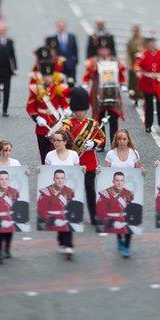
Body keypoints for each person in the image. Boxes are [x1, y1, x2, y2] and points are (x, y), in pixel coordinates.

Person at [61, 86, 105, 225]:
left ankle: (94, 216)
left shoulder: (92, 124)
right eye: (77, 110)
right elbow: (63, 139)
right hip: (73, 162)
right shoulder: (67, 124)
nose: (79, 113)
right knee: (72, 189)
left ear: (86, 109)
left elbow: (102, 138)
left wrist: (94, 144)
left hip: (89, 162)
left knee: (90, 190)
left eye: (82, 110)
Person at [82, 36, 127, 144]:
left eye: (106, 49)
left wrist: (123, 84)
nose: (103, 51)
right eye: (101, 49)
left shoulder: (115, 61)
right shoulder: (92, 61)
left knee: (113, 117)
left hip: (113, 92)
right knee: (98, 118)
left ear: (109, 50)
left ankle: (113, 141)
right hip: (97, 92)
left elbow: (121, 75)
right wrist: (85, 83)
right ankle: (100, 142)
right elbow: (87, 75)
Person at [27, 62, 70, 160]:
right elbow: (30, 107)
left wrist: (66, 109)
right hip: (43, 125)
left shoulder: (57, 87)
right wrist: (37, 118)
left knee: (59, 150)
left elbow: (63, 101)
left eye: (50, 76)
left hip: (56, 123)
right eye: (45, 76)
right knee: (44, 153)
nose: (47, 78)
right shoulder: (36, 89)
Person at [37, 164, 78, 259]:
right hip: (52, 217)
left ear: (65, 179)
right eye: (57, 178)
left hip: (65, 217)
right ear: (54, 179)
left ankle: (68, 245)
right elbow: (42, 209)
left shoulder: (69, 191)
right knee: (61, 225)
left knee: (66, 222)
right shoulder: (46, 191)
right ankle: (61, 241)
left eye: (62, 178)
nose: (60, 180)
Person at [96, 171, 136, 257]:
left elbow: (130, 208)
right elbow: (100, 210)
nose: (119, 183)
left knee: (129, 227)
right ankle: (119, 238)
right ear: (113, 181)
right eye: (117, 180)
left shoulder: (128, 193)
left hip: (124, 218)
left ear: (124, 181)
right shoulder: (106, 194)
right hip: (111, 219)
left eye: (122, 180)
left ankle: (126, 247)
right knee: (118, 228)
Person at [134, 37, 160, 133]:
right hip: (147, 83)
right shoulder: (143, 55)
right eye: (150, 44)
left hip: (159, 83)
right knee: (148, 106)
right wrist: (139, 73)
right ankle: (148, 125)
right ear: (147, 45)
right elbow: (137, 65)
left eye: (153, 44)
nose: (152, 46)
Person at [126, 25, 145, 108]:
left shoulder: (143, 41)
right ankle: (135, 98)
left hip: (142, 64)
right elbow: (128, 54)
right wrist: (130, 65)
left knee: (142, 82)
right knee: (133, 82)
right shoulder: (130, 41)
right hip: (134, 63)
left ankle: (143, 97)